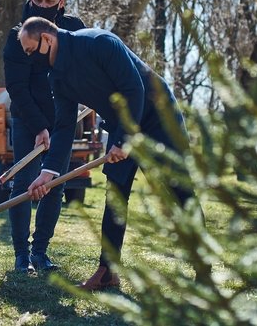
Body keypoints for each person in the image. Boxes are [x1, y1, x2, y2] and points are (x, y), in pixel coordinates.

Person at [19, 17, 194, 291]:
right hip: (121, 125)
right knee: (115, 195)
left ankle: (204, 268)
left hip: (157, 118)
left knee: (178, 192)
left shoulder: (98, 43)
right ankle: (107, 271)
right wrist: (47, 172)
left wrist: (124, 140)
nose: (29, 59)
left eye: (30, 51)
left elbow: (133, 89)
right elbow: (64, 127)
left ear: (48, 40)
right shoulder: (58, 77)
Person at [2, 0, 85, 274]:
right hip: (27, 118)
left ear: (61, 2)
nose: (44, 6)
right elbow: (17, 88)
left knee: (54, 185)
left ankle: (40, 252)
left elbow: (85, 69)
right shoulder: (17, 36)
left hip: (63, 119)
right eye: (39, 1)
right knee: (23, 184)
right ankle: (21, 255)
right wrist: (38, 127)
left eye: (50, 2)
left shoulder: (75, 29)